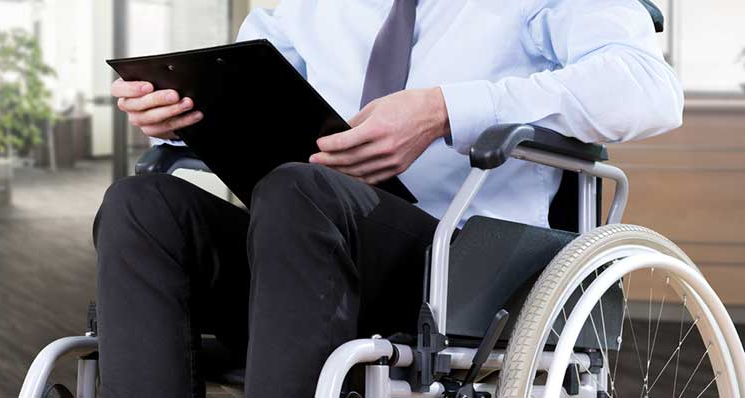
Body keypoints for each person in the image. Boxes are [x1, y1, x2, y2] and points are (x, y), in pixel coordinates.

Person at [97, 0, 683, 396]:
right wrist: (178, 110)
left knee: (301, 189)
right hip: (295, 255)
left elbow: (648, 91)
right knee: (141, 205)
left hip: (464, 262)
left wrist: (446, 110)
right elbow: (251, 82)